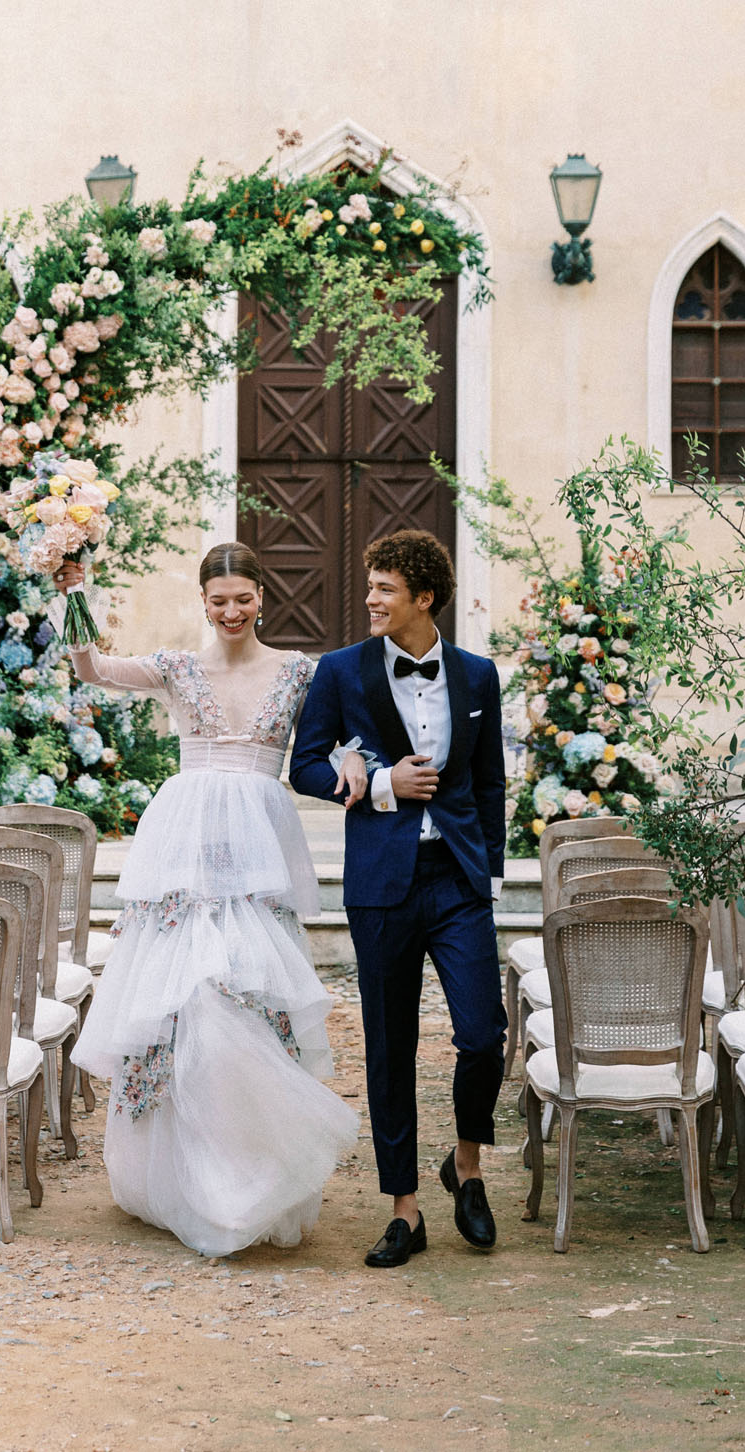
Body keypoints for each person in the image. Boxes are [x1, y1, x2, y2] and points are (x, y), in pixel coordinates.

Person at [55, 542, 362, 1257]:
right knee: (182, 991)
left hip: (259, 841)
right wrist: (74, 595)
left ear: (262, 598)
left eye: (244, 598)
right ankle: (179, 1177)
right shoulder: (174, 668)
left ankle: (253, 1163)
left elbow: (342, 729)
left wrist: (354, 755)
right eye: (219, 600)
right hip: (186, 838)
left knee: (250, 988)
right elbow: (94, 669)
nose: (232, 611)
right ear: (203, 602)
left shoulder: (298, 670)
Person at [289, 529, 506, 1268]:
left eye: (385, 588)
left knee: (482, 1034)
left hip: (458, 882)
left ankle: (467, 1166)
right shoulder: (341, 672)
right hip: (381, 884)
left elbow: (488, 784)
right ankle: (405, 1209)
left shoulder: (477, 676)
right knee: (391, 1045)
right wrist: (380, 784)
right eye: (371, 585)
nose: (371, 600)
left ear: (425, 597)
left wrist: (491, 874)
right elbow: (305, 768)